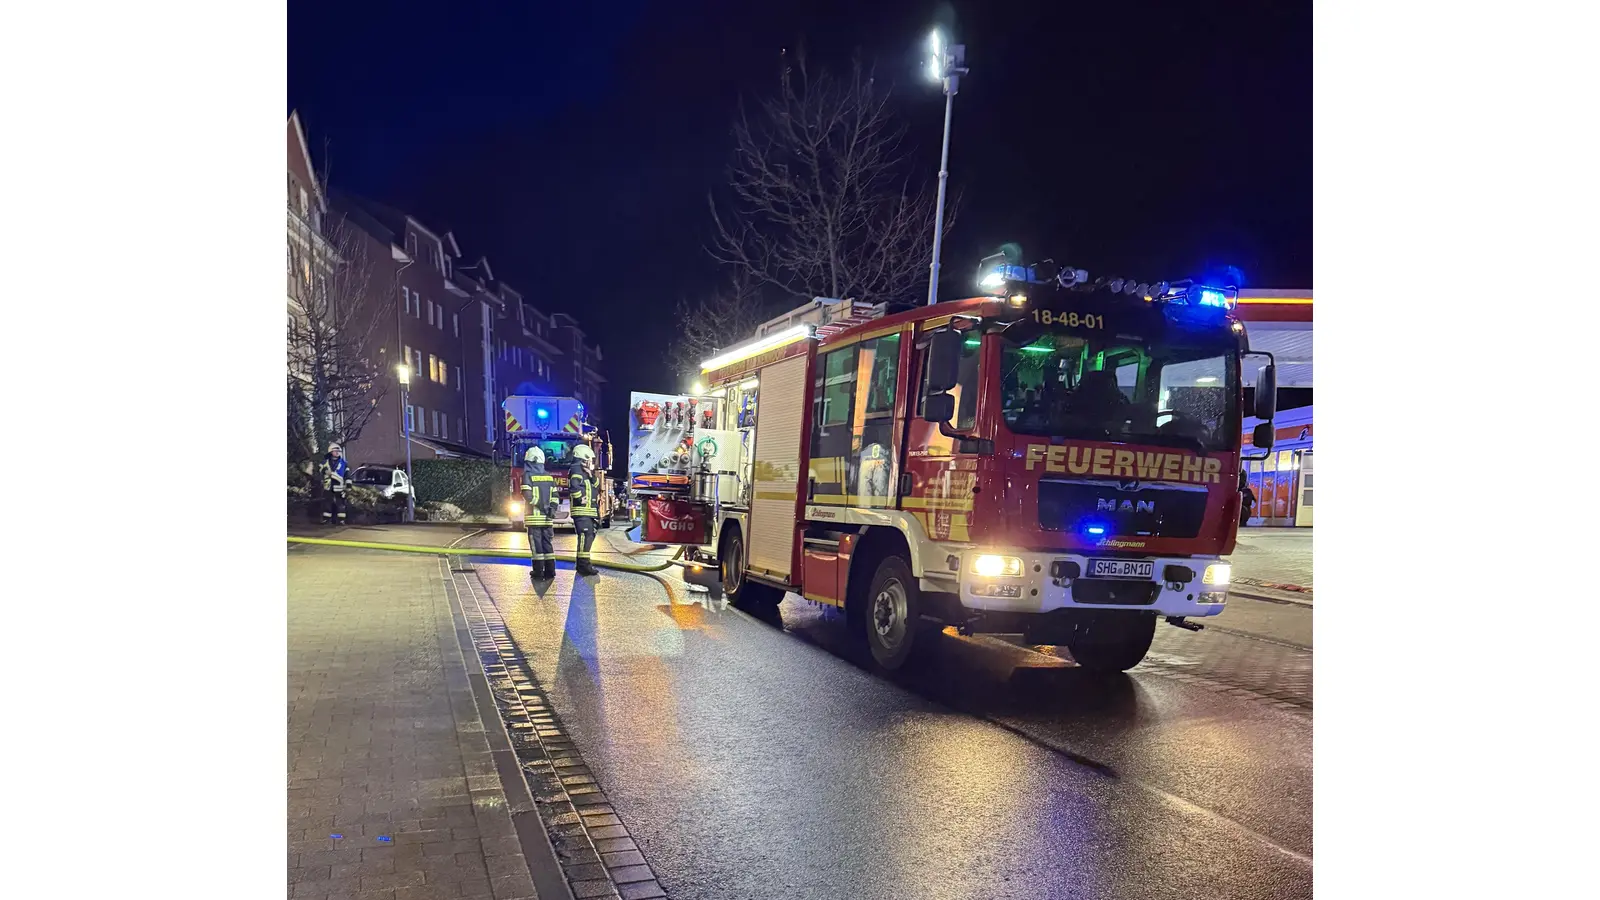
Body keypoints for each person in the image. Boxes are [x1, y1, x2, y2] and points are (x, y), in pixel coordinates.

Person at [522, 447, 557, 581]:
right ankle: (550, 571)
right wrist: (551, 509)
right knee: (547, 544)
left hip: (534, 519)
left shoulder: (527, 476)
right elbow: (555, 496)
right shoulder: (549, 476)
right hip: (547, 519)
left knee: (536, 546)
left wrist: (542, 506)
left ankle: (538, 572)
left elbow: (527, 495)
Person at [568, 444, 601, 577]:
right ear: (583, 458)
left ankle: (584, 563)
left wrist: (591, 475)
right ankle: (583, 566)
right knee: (584, 537)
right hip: (582, 511)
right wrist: (580, 498)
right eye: (589, 460)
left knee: (589, 537)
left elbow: (597, 486)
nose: (591, 462)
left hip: (589, 512)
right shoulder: (576, 471)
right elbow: (573, 487)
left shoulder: (585, 472)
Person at [319, 442, 349, 526]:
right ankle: (326, 519)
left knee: (340, 504)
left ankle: (341, 520)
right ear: (330, 452)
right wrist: (324, 470)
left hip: (339, 486)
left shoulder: (344, 463)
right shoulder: (325, 462)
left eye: (338, 451)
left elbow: (347, 474)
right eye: (335, 451)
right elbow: (320, 468)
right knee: (327, 503)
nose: (337, 452)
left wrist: (348, 485)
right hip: (328, 486)